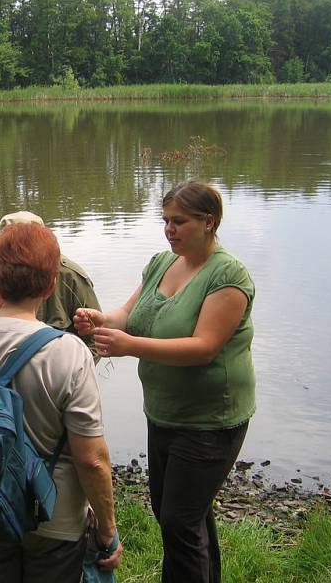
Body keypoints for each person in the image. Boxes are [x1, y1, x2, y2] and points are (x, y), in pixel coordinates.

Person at [74, 179, 255, 583]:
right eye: (165, 221)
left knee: (179, 520)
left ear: (209, 222)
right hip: (164, 413)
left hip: (211, 419)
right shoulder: (161, 262)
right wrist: (102, 321)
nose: (169, 230)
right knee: (180, 513)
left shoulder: (228, 275)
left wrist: (129, 346)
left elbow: (204, 347)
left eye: (179, 222)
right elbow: (128, 314)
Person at [0, 222, 123, 583]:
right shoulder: (70, 353)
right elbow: (91, 459)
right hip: (55, 522)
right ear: (51, 285)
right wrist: (106, 529)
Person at [0, 211, 102, 361]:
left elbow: (95, 337)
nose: (16, 253)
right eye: (9, 244)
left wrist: (71, 373)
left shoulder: (71, 276)